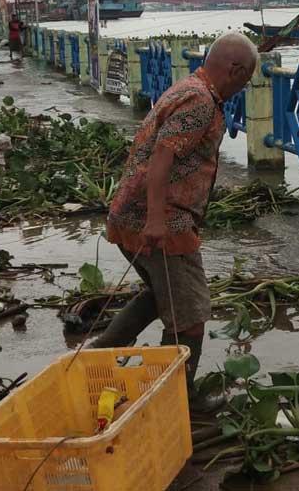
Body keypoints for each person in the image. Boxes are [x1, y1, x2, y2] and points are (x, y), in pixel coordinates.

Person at [93, 31, 258, 410]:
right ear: (234, 70)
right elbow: (162, 159)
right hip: (161, 223)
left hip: (129, 216)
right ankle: (175, 399)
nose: (244, 88)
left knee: (159, 296)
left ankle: (98, 356)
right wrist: (155, 220)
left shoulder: (189, 87)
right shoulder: (200, 101)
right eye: (246, 79)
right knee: (191, 314)